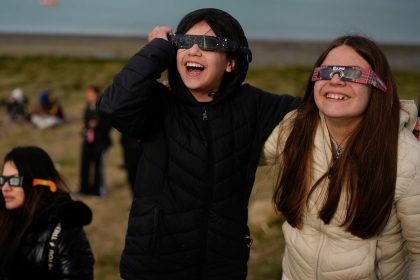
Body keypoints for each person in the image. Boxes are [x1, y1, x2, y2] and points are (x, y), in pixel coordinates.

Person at [97, 8, 299, 280]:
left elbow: (314, 112)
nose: (193, 50)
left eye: (208, 43)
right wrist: (157, 49)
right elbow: (112, 106)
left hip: (222, 269)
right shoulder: (157, 102)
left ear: (231, 62)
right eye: (182, 43)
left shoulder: (253, 105)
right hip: (153, 268)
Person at [261, 35, 420, 279]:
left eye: (352, 74)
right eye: (326, 72)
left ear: (379, 86)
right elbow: (240, 154)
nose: (335, 80)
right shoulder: (294, 127)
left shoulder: (407, 156)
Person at [0, 146, 94, 279]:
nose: (5, 188)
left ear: (39, 183)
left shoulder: (63, 231)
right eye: (3, 180)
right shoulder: (4, 221)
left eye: (14, 181)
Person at [79, 85, 112, 197]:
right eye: (87, 95)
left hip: (100, 142)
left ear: (97, 94)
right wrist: (84, 126)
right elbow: (85, 122)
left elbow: (109, 124)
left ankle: (98, 191)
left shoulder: (103, 107)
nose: (89, 97)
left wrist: (98, 124)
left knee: (99, 167)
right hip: (88, 142)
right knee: (85, 165)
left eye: (91, 95)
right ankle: (84, 189)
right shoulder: (88, 106)